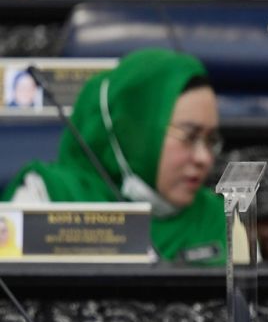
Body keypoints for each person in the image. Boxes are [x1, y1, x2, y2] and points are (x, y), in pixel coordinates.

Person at [1, 49, 226, 265]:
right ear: (134, 133)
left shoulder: (222, 219)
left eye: (211, 140)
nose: (203, 158)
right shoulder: (46, 197)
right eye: (189, 136)